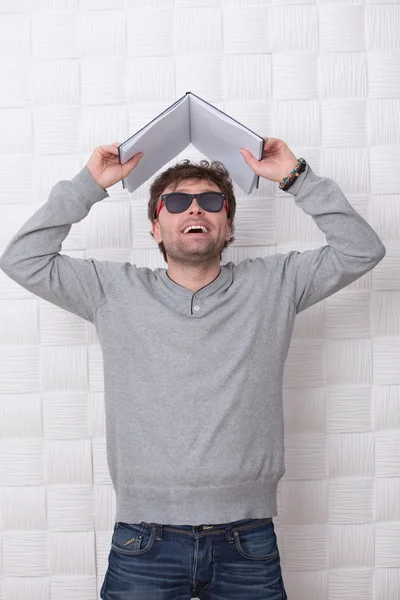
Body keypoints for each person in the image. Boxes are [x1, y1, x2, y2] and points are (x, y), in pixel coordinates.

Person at [0, 139, 386, 600]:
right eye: (178, 202)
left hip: (247, 539)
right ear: (156, 228)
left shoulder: (276, 284)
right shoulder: (111, 290)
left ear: (228, 227)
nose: (194, 210)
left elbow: (362, 249)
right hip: (144, 537)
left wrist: (296, 177)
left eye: (210, 201)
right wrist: (88, 185)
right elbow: (21, 259)